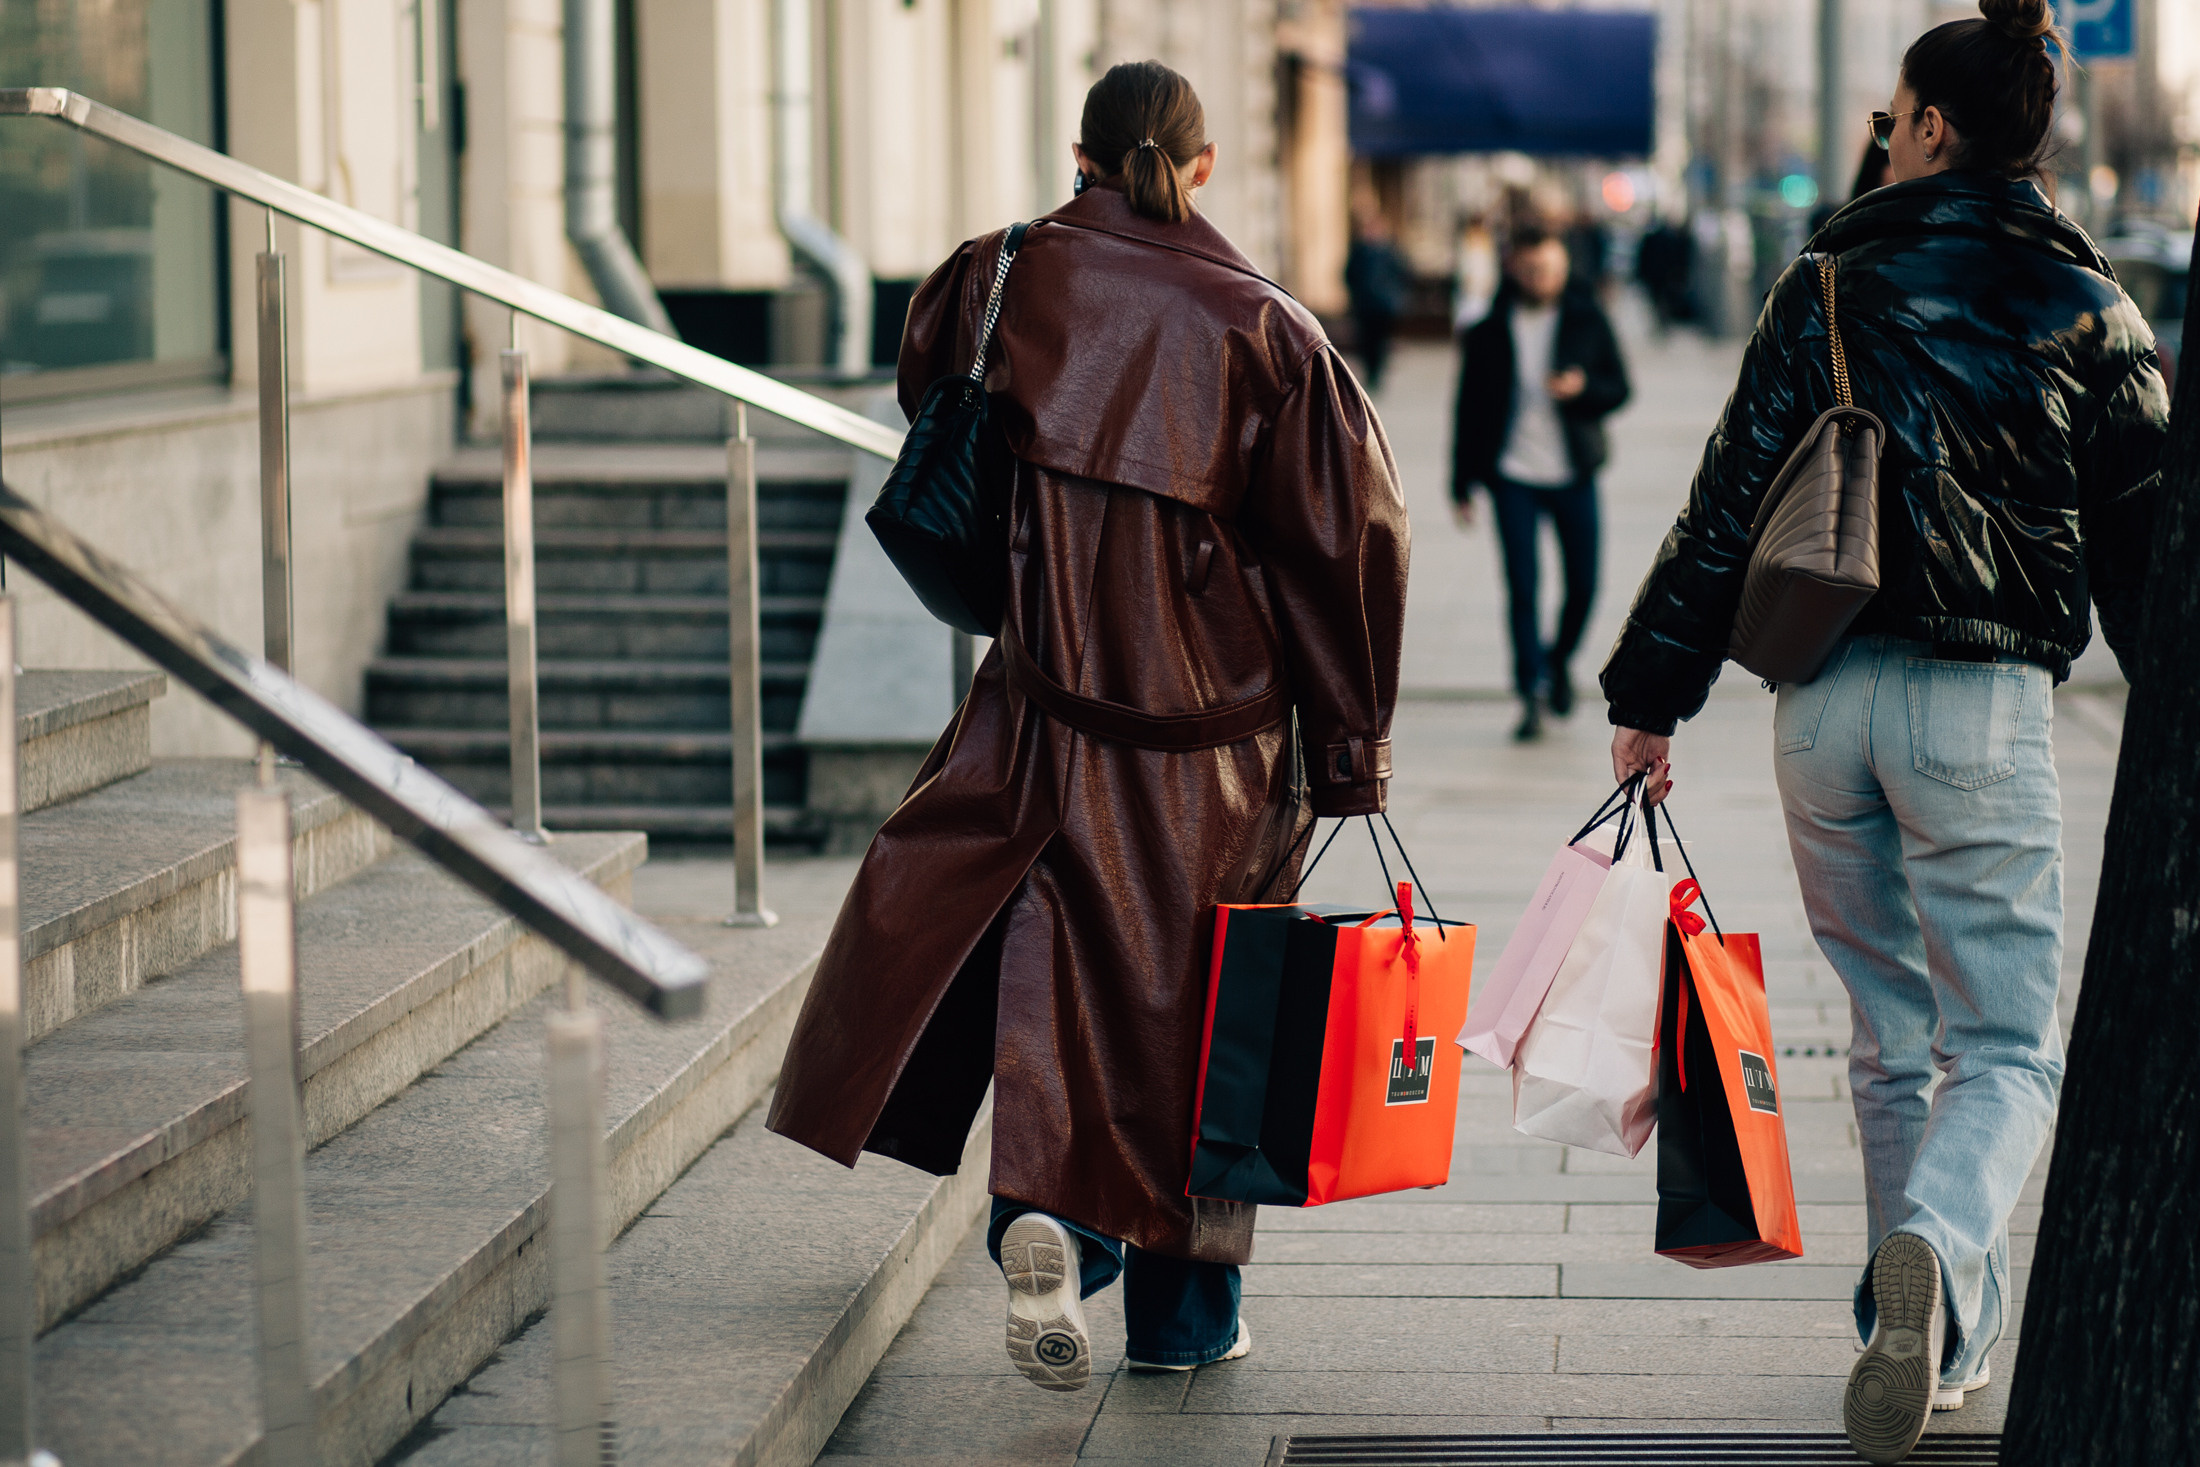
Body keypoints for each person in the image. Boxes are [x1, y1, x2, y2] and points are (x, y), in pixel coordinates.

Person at [766, 60, 1409, 1394]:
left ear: (1078, 153)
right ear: (1206, 164)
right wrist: (1349, 747)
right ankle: (1175, 1319)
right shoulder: (1272, 332)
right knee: (1199, 1017)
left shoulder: (992, 274)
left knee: (1052, 983)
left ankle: (1048, 1220)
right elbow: (1347, 551)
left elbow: (929, 402)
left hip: (1040, 705)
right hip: (1212, 747)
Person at [1598, 2, 2168, 1461]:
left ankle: (1918, 1339)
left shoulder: (1826, 287)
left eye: (1890, 117)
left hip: (1821, 699)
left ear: (1925, 125)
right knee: (2006, 1044)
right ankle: (1938, 1253)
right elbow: (2147, 544)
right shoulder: (2094, 309)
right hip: (1979, 706)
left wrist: (1649, 693)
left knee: (1888, 1037)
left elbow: (1730, 500)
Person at [1451, 223, 1630, 741]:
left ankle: (1556, 661)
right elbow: (1468, 408)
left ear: (1563, 269)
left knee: (1585, 584)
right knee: (1523, 587)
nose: (1540, 278)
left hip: (1573, 472)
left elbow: (1619, 386)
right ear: (1514, 268)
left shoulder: (1586, 318)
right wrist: (1461, 482)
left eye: (1549, 269)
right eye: (1531, 270)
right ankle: (1529, 689)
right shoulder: (1488, 329)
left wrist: (1582, 388)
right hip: (1512, 476)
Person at [1344, 203, 1411, 391]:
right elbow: (1350, 274)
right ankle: (1370, 371)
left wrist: (1395, 294)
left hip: (1383, 305)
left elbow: (1402, 274)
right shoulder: (1359, 251)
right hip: (1365, 305)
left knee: (1381, 340)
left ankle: (1378, 372)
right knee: (1366, 340)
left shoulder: (1389, 252)